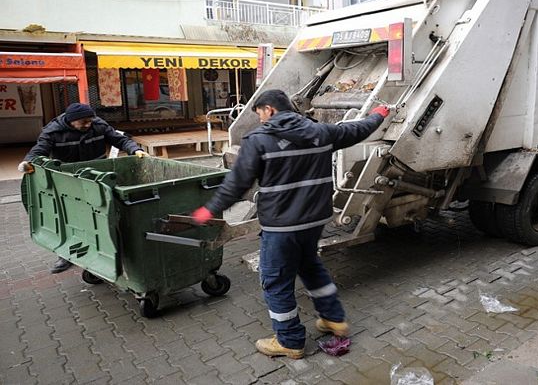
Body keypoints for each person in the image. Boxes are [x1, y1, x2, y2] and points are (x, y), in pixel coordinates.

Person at [191, 89, 389, 359]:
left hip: (282, 226)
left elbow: (237, 185)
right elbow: (359, 129)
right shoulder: (322, 132)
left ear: (270, 110)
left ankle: (290, 341)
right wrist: (379, 114)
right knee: (309, 265)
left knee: (275, 281)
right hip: (315, 220)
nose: (260, 120)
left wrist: (208, 210)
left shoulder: (259, 141)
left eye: (260, 113)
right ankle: (334, 319)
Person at [18, 103, 147, 273]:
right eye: (84, 122)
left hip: (95, 177)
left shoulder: (98, 125)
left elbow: (119, 139)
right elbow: (40, 150)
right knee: (69, 217)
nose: (88, 124)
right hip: (68, 181)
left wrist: (135, 150)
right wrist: (28, 162)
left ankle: (106, 249)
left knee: (99, 215)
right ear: (71, 121)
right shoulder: (53, 132)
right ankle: (65, 254)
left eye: (90, 120)